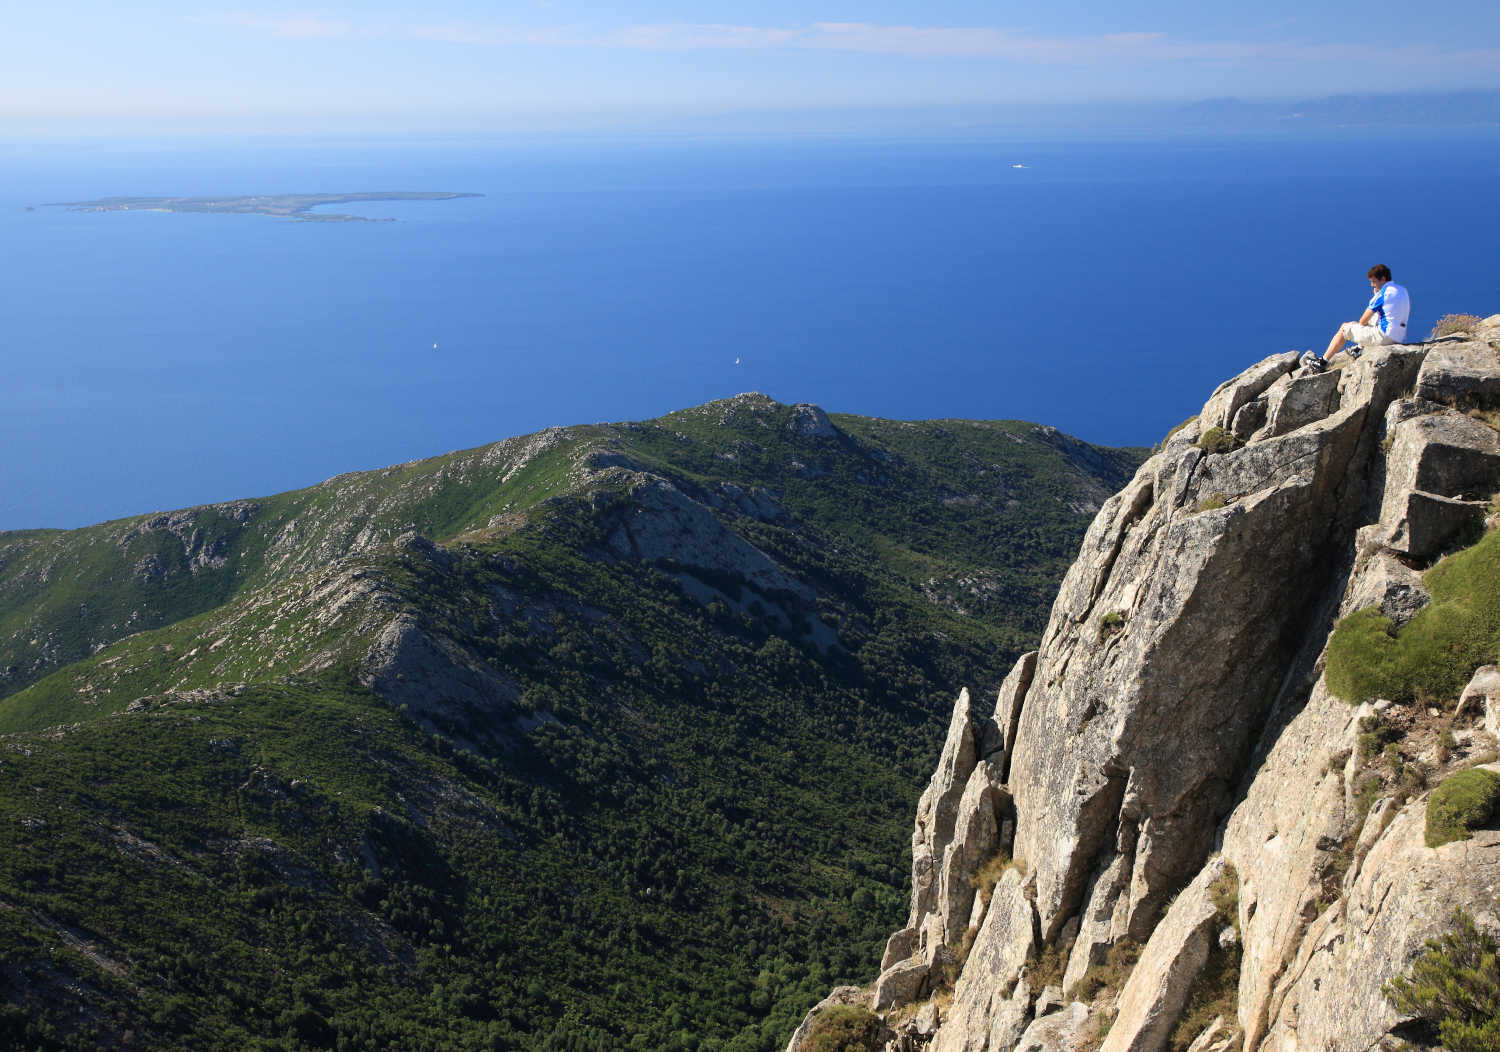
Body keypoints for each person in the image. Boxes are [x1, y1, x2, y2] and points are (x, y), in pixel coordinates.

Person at [1315, 264, 1411, 365]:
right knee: (1377, 316)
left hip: (1384, 337)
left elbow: (1363, 320)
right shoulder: (1402, 290)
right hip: (1399, 337)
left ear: (1383, 279)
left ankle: (1322, 362)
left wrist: (1375, 295)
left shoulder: (1382, 294)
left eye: (1374, 281)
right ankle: (1359, 348)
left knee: (1344, 327)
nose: (1372, 285)